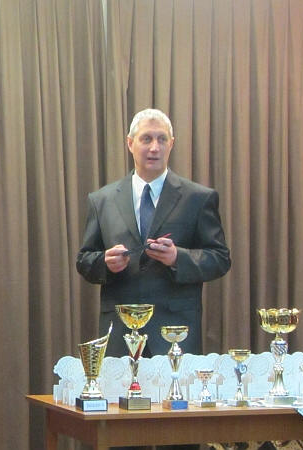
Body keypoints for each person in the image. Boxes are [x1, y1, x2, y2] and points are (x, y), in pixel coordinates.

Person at [76, 108, 231, 357]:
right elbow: (84, 261)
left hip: (175, 333)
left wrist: (177, 258)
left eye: (162, 139)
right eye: (146, 139)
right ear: (130, 143)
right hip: (120, 333)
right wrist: (105, 262)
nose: (154, 148)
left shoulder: (198, 198)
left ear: (172, 144)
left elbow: (220, 259)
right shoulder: (102, 200)